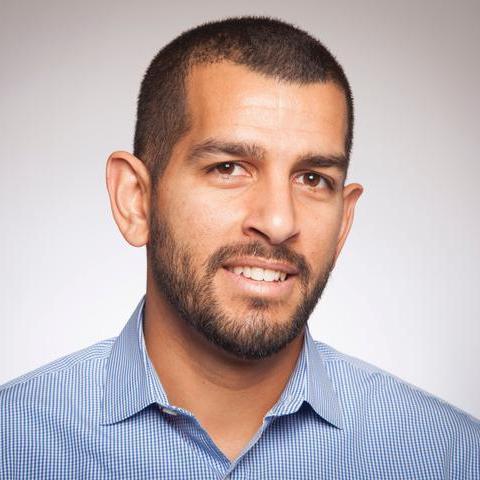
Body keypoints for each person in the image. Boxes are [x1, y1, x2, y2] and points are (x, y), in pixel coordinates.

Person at [1, 16, 478, 480]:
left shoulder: (453, 458)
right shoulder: (13, 442)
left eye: (313, 179)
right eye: (229, 168)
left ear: (344, 220)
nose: (277, 222)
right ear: (136, 200)